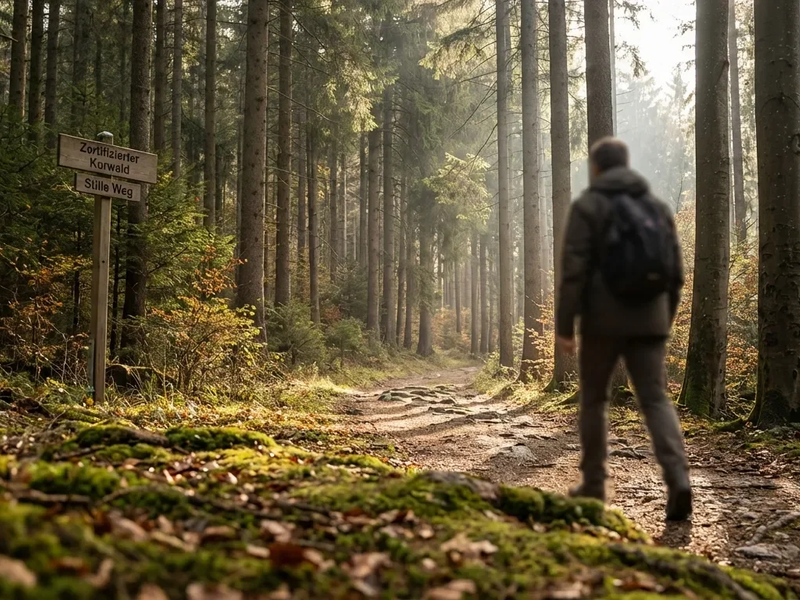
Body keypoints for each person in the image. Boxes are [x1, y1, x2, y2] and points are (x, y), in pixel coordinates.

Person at [555, 137, 692, 522]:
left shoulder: (588, 206)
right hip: (650, 319)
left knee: (595, 400)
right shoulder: (656, 207)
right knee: (655, 399)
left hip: (601, 321)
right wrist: (664, 320)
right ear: (626, 165)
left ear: (596, 168)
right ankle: (679, 478)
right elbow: (676, 274)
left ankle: (595, 485)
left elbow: (573, 271)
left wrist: (565, 326)